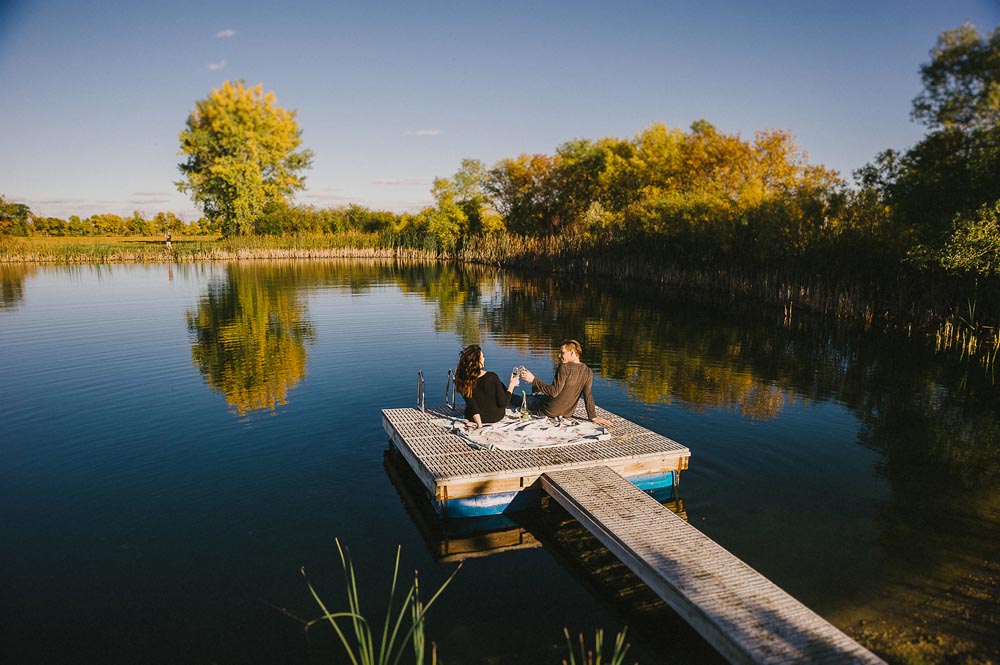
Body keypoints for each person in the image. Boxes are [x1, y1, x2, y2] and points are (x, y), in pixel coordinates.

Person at [519, 339, 612, 426]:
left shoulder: (564, 367)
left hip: (549, 410)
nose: (559, 355)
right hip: (567, 413)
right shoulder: (588, 371)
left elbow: (554, 392)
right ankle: (535, 394)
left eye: (562, 352)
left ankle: (509, 394)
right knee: (537, 390)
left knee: (522, 399)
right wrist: (593, 417)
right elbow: (588, 395)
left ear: (572, 353)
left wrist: (533, 379)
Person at [454, 344, 520, 428]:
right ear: (477, 361)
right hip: (494, 417)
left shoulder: (462, 379)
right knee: (500, 385)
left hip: (472, 417)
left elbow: (472, 405)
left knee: (499, 384)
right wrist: (512, 385)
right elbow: (503, 403)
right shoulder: (492, 377)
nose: (484, 358)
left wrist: (479, 424)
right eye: (482, 357)